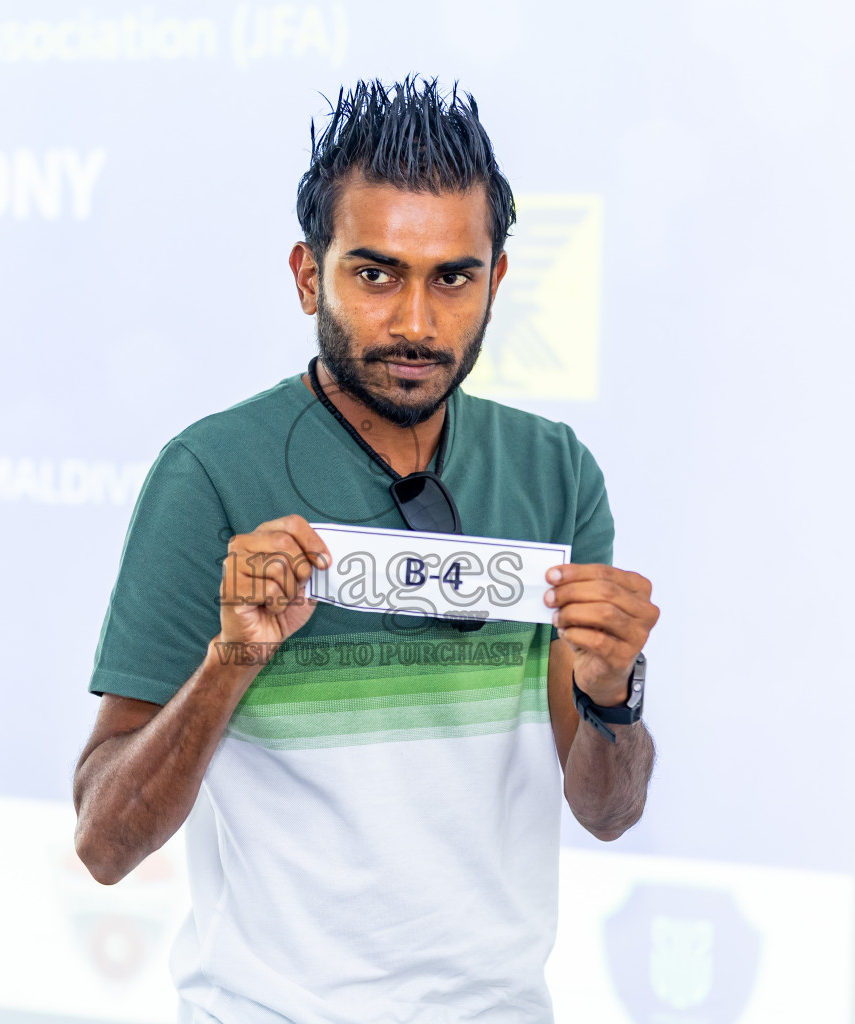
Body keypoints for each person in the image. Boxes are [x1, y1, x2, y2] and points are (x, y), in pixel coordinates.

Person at [73, 76, 658, 1023]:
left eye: (453, 278)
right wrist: (232, 661)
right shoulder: (210, 472)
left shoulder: (555, 472)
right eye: (376, 274)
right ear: (310, 275)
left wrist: (613, 699)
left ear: (498, 281)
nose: (417, 323)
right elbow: (105, 844)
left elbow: (607, 809)